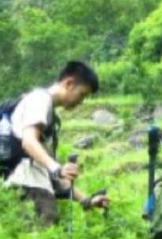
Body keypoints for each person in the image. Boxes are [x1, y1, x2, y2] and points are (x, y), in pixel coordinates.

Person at [6, 61, 110, 226]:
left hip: (36, 189)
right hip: (28, 188)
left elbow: (51, 176)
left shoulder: (48, 112)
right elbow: (29, 141)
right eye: (82, 94)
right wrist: (57, 168)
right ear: (68, 84)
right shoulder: (39, 99)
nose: (81, 102)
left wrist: (87, 200)